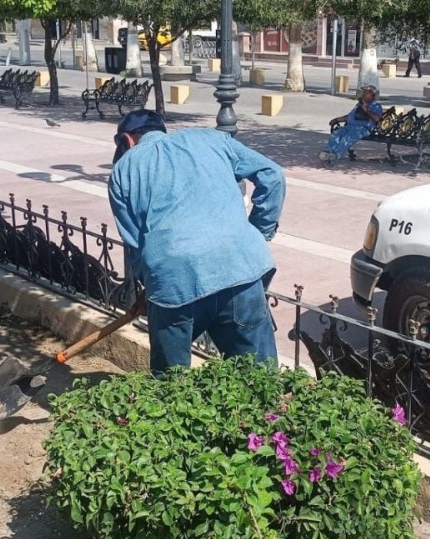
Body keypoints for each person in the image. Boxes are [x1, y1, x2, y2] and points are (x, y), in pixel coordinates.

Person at [107, 109, 285, 376]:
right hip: (240, 270)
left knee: (172, 382)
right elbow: (273, 176)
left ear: (127, 140)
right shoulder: (211, 139)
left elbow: (135, 244)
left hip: (174, 284)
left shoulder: (123, 170)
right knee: (261, 378)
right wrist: (259, 233)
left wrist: (152, 285)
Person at [319, 85, 383, 166]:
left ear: (372, 95)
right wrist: (337, 120)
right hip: (350, 126)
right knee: (336, 135)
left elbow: (377, 119)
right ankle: (327, 153)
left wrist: (366, 110)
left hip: (362, 128)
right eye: (364, 92)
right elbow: (350, 116)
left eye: (366, 92)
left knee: (346, 139)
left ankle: (333, 157)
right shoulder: (359, 104)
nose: (363, 94)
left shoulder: (376, 105)